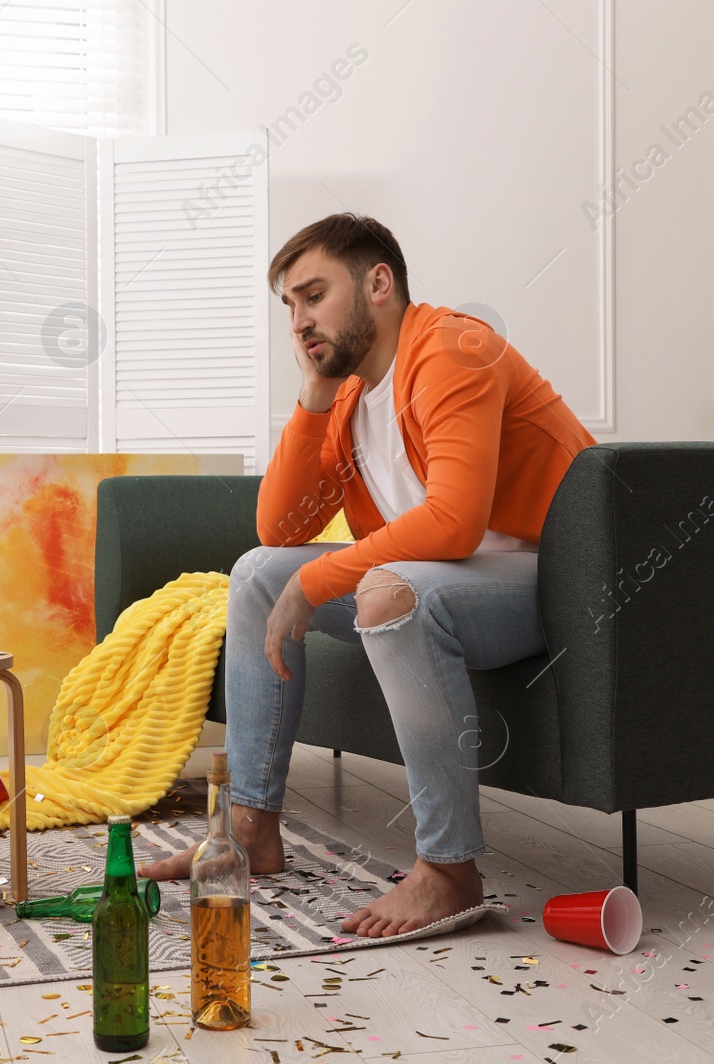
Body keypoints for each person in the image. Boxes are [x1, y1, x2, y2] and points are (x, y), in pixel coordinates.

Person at [139, 213, 597, 937]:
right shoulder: (351, 396)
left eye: (314, 295)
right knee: (259, 572)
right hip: (452, 581)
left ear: (378, 282)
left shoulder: (453, 348)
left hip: (556, 581)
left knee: (388, 592)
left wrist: (317, 583)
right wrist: (316, 397)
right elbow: (278, 531)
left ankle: (450, 871)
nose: (298, 320)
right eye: (289, 306)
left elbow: (454, 521)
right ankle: (251, 831)